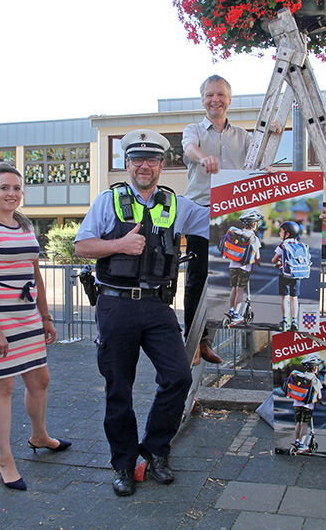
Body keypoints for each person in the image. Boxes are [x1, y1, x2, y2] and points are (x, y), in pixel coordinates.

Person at [74, 129, 210, 497]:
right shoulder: (109, 200)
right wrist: (119, 244)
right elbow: (82, 245)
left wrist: (263, 194)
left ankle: (154, 451)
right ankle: (123, 463)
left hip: (156, 305)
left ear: (162, 165)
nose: (144, 166)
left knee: (179, 377)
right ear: (127, 164)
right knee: (119, 388)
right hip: (116, 304)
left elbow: (219, 221)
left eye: (152, 160)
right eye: (138, 160)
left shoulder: (177, 204)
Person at [0, 162, 70, 492]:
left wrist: (46, 317)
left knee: (40, 379)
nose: (11, 193)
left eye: (17, 188)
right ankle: (5, 458)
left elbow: (35, 275)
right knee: (3, 387)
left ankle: (39, 435)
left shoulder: (23, 227)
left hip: (26, 317)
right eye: (5, 188)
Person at [181, 75, 250, 363]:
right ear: (202, 100)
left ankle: (207, 339)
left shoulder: (244, 136)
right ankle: (192, 341)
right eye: (210, 95)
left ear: (229, 99)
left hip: (232, 215)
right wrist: (203, 157)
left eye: (220, 94)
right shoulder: (194, 130)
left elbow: (253, 166)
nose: (215, 100)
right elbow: (188, 148)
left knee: (224, 280)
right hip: (200, 211)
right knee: (197, 278)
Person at [225, 209, 264, 325]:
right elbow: (257, 257)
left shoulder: (236, 234)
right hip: (244, 268)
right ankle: (236, 314)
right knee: (240, 290)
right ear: (253, 224)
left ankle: (231, 310)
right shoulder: (254, 238)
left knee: (234, 288)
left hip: (232, 265)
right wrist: (257, 262)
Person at [272, 221, 311, 332]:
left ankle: (285, 320)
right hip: (297, 274)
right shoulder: (300, 245)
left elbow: (274, 259)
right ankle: (295, 321)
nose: (280, 234)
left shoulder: (283, 245)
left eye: (281, 232)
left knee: (285, 297)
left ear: (287, 234)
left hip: (285, 275)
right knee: (294, 297)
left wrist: (278, 261)